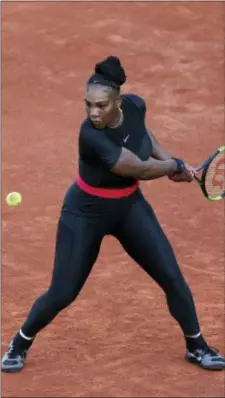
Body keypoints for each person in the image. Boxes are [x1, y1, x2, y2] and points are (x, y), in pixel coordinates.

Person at [2, 56, 224, 373]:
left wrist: (171, 159)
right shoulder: (90, 136)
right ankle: (20, 342)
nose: (93, 112)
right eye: (88, 105)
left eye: (101, 105)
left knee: (172, 277)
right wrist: (172, 167)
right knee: (63, 292)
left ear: (118, 101)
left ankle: (196, 345)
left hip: (129, 207)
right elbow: (136, 167)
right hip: (85, 212)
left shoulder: (135, 106)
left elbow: (144, 137)